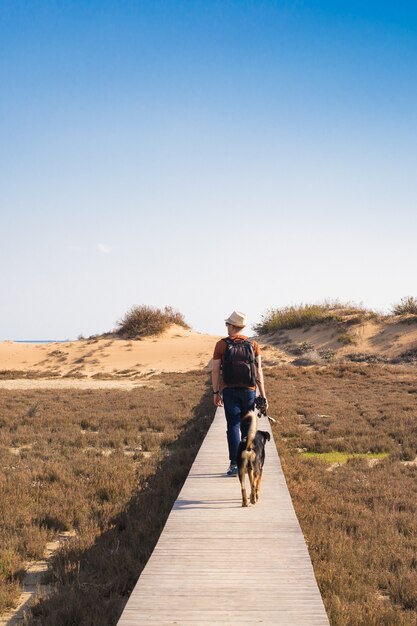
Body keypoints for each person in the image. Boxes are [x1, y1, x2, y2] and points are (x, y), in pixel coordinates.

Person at [212, 310, 268, 476]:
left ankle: (235, 464)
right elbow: (258, 372)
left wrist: (216, 392)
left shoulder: (221, 345)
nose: (226, 327)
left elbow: (215, 371)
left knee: (233, 427)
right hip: (249, 391)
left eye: (227, 324)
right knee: (247, 428)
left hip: (229, 391)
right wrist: (263, 396)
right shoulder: (253, 345)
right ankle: (248, 461)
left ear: (232, 326)